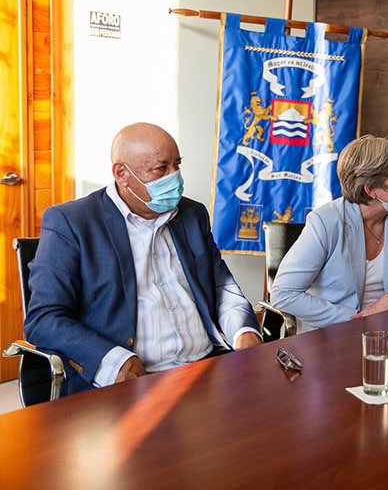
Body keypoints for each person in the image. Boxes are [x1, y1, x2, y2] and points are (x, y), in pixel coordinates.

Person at [24, 122, 262, 395]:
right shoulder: (72, 222)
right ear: (122, 173)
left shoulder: (192, 214)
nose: (174, 177)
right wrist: (117, 361)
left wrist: (245, 334)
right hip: (128, 381)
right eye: (161, 169)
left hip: (206, 367)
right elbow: (44, 318)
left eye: (177, 165)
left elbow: (222, 288)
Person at [270, 135, 388, 332]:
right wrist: (359, 320)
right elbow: (284, 294)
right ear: (370, 190)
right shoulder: (325, 221)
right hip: (331, 335)